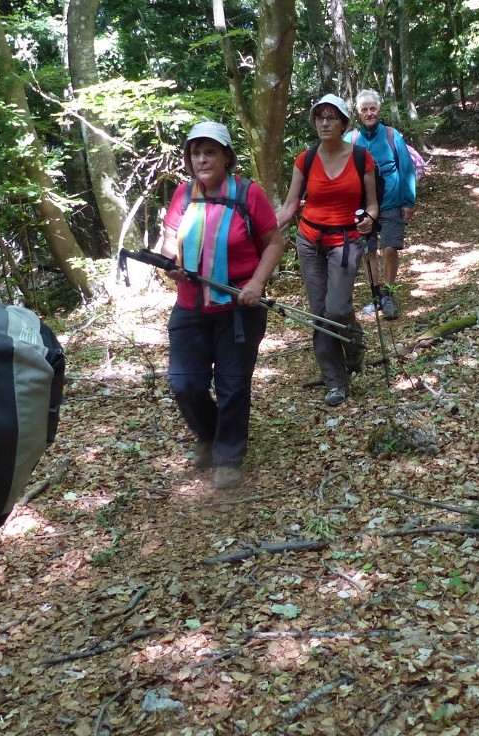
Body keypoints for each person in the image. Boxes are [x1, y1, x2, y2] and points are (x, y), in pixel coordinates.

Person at [159, 121, 285, 489]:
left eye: (210, 151)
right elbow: (169, 237)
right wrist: (171, 262)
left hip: (238, 308)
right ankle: (211, 435)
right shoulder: (183, 194)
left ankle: (228, 455)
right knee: (184, 383)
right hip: (191, 306)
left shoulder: (249, 194)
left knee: (232, 384)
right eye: (196, 152)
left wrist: (257, 284)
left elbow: (274, 242)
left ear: (227, 156)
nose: (202, 159)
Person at [276, 95, 377, 406]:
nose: (324, 122)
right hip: (309, 241)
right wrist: (262, 228)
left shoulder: (361, 158)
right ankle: (335, 381)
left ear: (344, 123)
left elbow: (372, 204)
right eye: (319, 117)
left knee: (336, 308)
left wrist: (369, 220)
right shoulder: (305, 159)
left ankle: (354, 344)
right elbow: (291, 204)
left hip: (346, 242)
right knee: (319, 313)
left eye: (331, 117)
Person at [349, 88, 417, 320]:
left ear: (379, 110)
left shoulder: (391, 135)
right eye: (364, 110)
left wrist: (408, 202)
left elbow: (406, 168)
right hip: (364, 206)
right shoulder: (352, 140)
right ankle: (376, 294)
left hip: (391, 202)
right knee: (369, 252)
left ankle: (388, 293)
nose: (369, 113)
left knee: (390, 248)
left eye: (373, 108)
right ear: (358, 113)